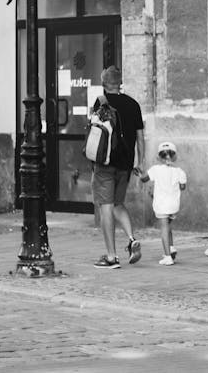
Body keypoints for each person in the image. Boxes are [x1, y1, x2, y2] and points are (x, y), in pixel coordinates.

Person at [91, 66, 145, 269]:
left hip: (105, 163)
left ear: (104, 84)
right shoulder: (133, 104)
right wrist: (140, 162)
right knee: (117, 204)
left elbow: (94, 130)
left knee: (106, 207)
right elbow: (140, 136)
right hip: (126, 163)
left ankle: (111, 256)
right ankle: (132, 239)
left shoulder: (101, 102)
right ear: (120, 83)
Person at [137, 142, 187, 265]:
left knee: (164, 229)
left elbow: (144, 179)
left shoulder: (155, 169)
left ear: (159, 157)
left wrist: (139, 174)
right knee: (168, 226)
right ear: (174, 156)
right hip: (174, 205)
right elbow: (182, 187)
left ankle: (167, 256)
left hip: (161, 205)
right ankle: (171, 247)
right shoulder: (180, 171)